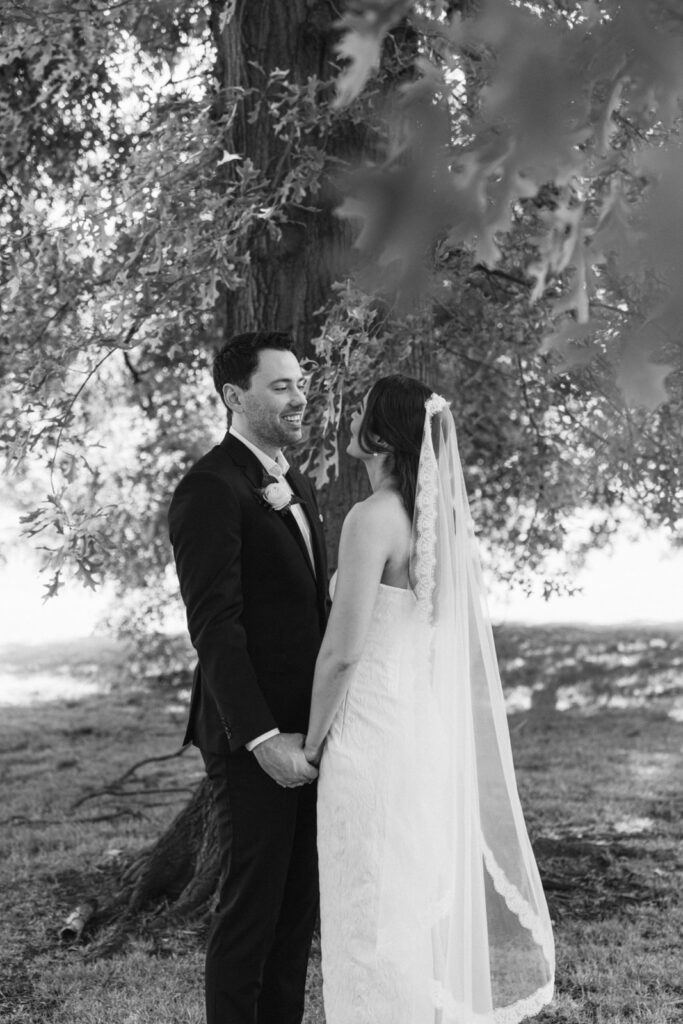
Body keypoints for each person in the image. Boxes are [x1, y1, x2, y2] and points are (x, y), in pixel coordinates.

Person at [305, 375, 555, 1024]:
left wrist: (309, 743)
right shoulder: (434, 527)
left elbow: (342, 651)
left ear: (381, 436)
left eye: (360, 411)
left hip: (366, 737)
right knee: (399, 923)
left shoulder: (371, 520)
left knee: (365, 922)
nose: (351, 419)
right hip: (415, 733)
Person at [168, 331, 328, 1024]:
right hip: (252, 736)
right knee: (251, 912)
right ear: (235, 397)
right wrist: (263, 738)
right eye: (281, 386)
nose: (300, 397)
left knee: (295, 912)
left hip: (310, 728)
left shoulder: (291, 479)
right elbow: (215, 627)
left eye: (300, 383)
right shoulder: (209, 487)